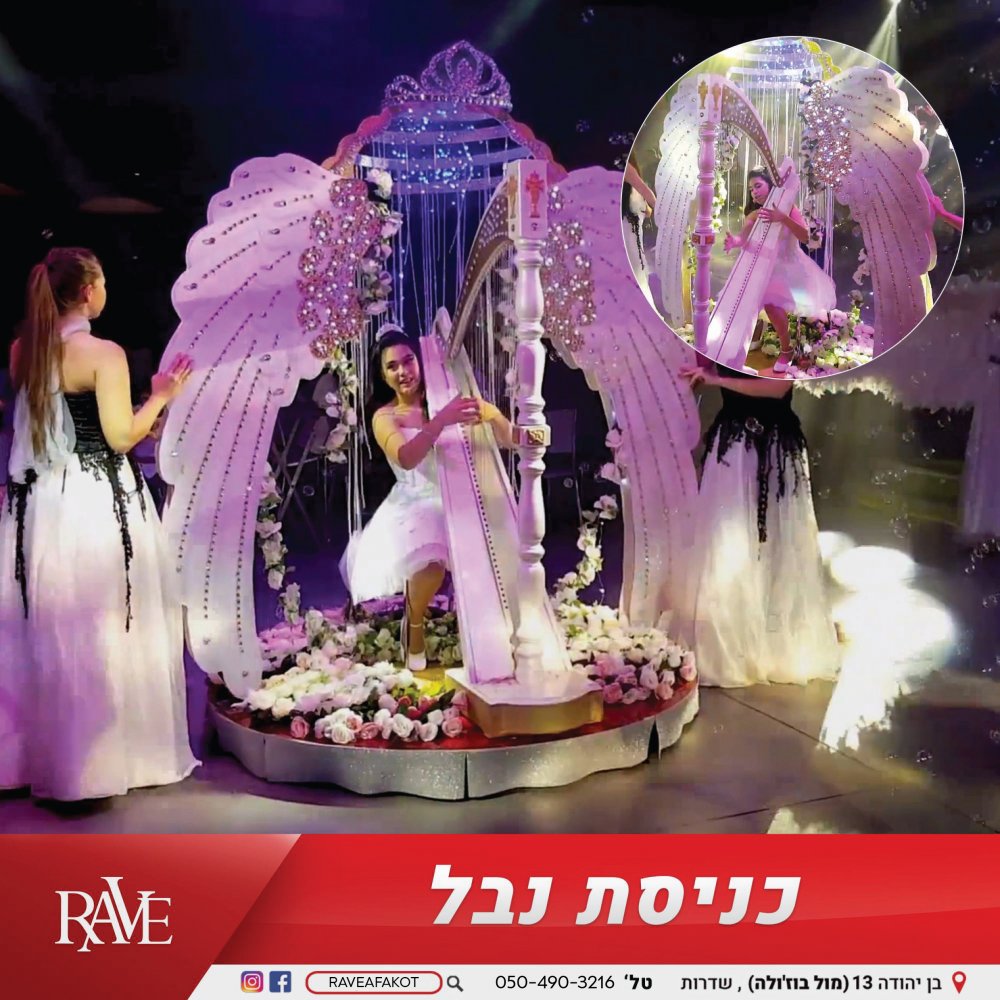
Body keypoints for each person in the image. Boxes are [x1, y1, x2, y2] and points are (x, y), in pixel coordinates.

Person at [0, 247, 199, 801]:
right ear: (88, 292)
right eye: (103, 282)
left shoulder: (23, 350)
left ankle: (44, 757)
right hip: (94, 498)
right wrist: (161, 397)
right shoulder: (102, 353)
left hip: (39, 501)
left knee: (50, 625)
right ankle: (101, 760)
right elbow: (119, 437)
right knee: (104, 623)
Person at [339, 326, 513, 669]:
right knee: (432, 555)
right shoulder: (384, 416)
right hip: (414, 499)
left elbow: (510, 440)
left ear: (421, 361)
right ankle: (414, 625)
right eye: (392, 366)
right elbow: (407, 457)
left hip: (456, 495)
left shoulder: (443, 398)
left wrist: (493, 414)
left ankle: (486, 631)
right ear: (383, 375)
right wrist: (443, 419)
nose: (403, 371)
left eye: (408, 361)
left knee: (496, 547)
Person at [677, 360, 840, 687]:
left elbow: (776, 387)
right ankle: (731, 640)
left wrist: (715, 380)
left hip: (772, 443)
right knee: (726, 544)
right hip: (733, 443)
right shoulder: (724, 335)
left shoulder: (787, 337)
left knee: (776, 542)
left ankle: (771, 642)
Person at [724, 168, 836, 374]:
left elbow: (805, 237)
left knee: (785, 306)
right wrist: (734, 242)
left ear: (772, 186)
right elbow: (744, 238)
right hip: (764, 269)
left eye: (758, 186)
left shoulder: (789, 208)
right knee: (760, 305)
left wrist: (782, 218)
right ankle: (774, 349)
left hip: (791, 267)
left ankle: (795, 345)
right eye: (751, 189)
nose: (754, 192)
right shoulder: (754, 214)